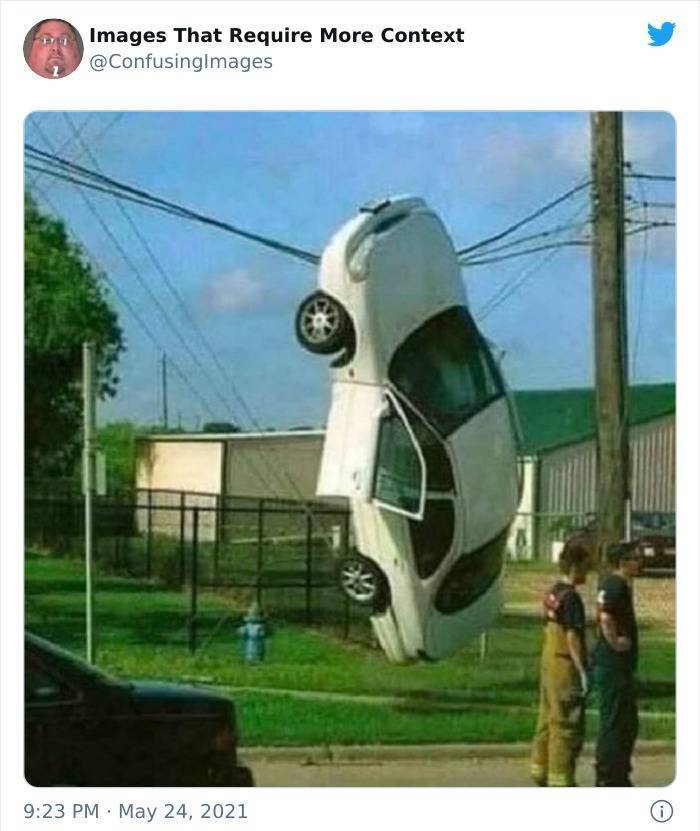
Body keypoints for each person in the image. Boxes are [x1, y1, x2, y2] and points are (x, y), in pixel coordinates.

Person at [530, 541, 591, 787]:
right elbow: (572, 637)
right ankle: (560, 777)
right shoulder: (572, 598)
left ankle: (539, 768)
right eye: (586, 566)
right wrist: (582, 670)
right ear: (575, 566)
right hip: (565, 664)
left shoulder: (553, 592)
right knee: (565, 721)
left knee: (547, 715)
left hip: (548, 660)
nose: (588, 571)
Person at [592, 541, 640, 786]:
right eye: (633, 558)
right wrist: (616, 642)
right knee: (614, 721)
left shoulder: (617, 585)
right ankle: (609, 775)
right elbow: (605, 616)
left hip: (620, 667)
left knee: (627, 721)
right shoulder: (615, 585)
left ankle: (620, 770)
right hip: (612, 666)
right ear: (622, 562)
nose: (638, 562)